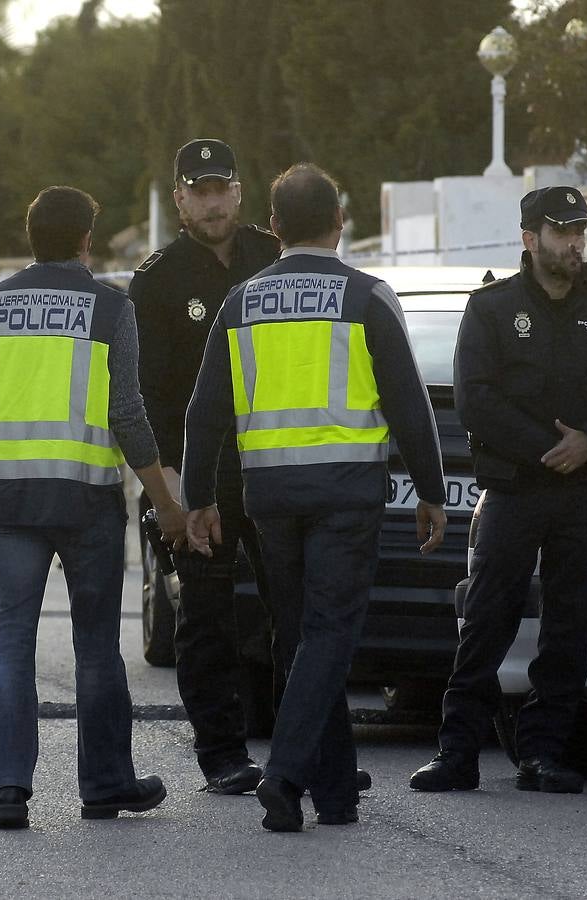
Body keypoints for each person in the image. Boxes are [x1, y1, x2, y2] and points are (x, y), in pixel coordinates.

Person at [183, 163, 447, 832]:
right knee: (329, 634)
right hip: (345, 492)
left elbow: (203, 414)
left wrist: (199, 499)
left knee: (304, 637)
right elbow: (409, 406)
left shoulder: (239, 300)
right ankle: (286, 771)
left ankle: (333, 794)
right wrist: (432, 490)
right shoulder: (367, 295)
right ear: (340, 223)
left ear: (270, 227)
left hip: (268, 493)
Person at [0, 185, 187, 830]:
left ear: (31, 238)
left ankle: (9, 792)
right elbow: (127, 415)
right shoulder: (109, 308)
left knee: (11, 639)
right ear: (87, 239)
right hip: (85, 498)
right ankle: (107, 784)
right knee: (95, 646)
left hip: (8, 495)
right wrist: (164, 500)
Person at [410, 186, 587, 796]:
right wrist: (544, 450)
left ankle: (543, 754)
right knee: (487, 620)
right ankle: (458, 753)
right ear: (529, 238)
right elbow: (476, 398)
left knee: (569, 627)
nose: (574, 241)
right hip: (515, 489)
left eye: (580, 230)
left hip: (583, 492)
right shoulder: (492, 309)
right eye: (560, 230)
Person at [127, 138, 281, 794]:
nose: (213, 201)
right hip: (202, 478)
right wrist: (172, 494)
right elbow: (149, 400)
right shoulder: (158, 280)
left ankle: (308, 749)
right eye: (200, 190)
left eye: (222, 188)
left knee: (300, 614)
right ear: (180, 199)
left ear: (239, 191)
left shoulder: (272, 257)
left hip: (277, 470)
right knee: (207, 621)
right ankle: (222, 755)